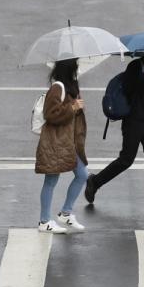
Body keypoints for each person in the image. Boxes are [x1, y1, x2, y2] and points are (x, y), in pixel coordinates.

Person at [84, 54, 144, 208]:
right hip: (133, 120)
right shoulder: (135, 66)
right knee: (126, 160)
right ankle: (95, 181)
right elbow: (129, 89)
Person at [35, 58, 88, 233]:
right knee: (51, 180)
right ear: (69, 68)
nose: (78, 69)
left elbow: (69, 113)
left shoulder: (71, 87)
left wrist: (76, 107)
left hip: (69, 142)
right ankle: (44, 221)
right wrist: (72, 108)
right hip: (56, 142)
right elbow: (51, 114)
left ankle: (66, 213)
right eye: (76, 66)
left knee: (82, 175)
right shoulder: (57, 87)